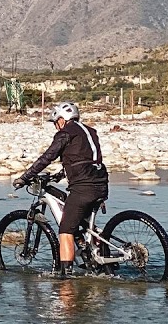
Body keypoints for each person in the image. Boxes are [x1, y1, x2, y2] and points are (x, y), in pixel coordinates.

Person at [13, 102, 108, 278]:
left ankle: (66, 276)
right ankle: (95, 250)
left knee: (65, 229)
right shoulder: (89, 131)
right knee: (80, 220)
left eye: (55, 122)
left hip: (83, 187)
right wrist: (59, 175)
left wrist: (25, 177)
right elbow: (82, 158)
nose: (55, 126)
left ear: (62, 120)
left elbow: (47, 157)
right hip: (100, 183)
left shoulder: (65, 133)